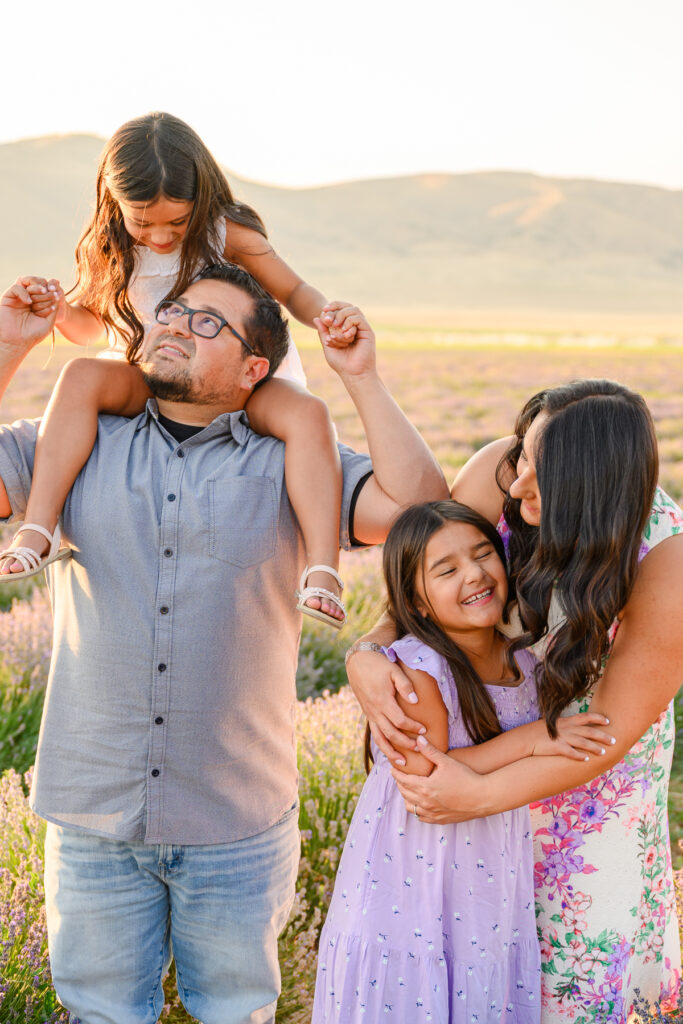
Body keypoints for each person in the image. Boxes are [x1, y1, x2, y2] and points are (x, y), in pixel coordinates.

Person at [0, 265, 447, 1024]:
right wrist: (9, 347)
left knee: (235, 1013)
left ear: (253, 370)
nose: (174, 324)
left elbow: (418, 506)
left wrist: (362, 379)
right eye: (173, 312)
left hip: (236, 821)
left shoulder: (292, 460)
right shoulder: (72, 442)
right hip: (94, 815)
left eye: (207, 322)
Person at [345, 380, 683, 1020]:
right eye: (525, 453)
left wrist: (475, 796)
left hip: (592, 783)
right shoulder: (503, 470)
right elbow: (421, 579)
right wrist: (368, 651)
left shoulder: (667, 561)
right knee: (475, 975)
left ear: (595, 486)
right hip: (488, 749)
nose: (520, 482)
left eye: (542, 472)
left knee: (567, 989)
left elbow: (607, 731)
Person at [0, 111, 356, 627]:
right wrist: (54, 309)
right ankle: (39, 526)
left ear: (201, 200)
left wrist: (326, 317)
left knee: (306, 414)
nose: (161, 237)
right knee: (81, 376)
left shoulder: (225, 231)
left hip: (237, 381)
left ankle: (323, 567)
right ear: (113, 200)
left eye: (177, 221)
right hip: (154, 375)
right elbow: (93, 328)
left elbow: (294, 289)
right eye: (143, 222)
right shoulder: (110, 247)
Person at [312, 499, 614, 1023]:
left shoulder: (523, 657)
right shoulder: (418, 670)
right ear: (417, 601)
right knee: (418, 989)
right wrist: (535, 740)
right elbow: (429, 769)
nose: (474, 575)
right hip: (413, 876)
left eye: (483, 555)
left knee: (476, 979)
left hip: (487, 873)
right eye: (447, 570)